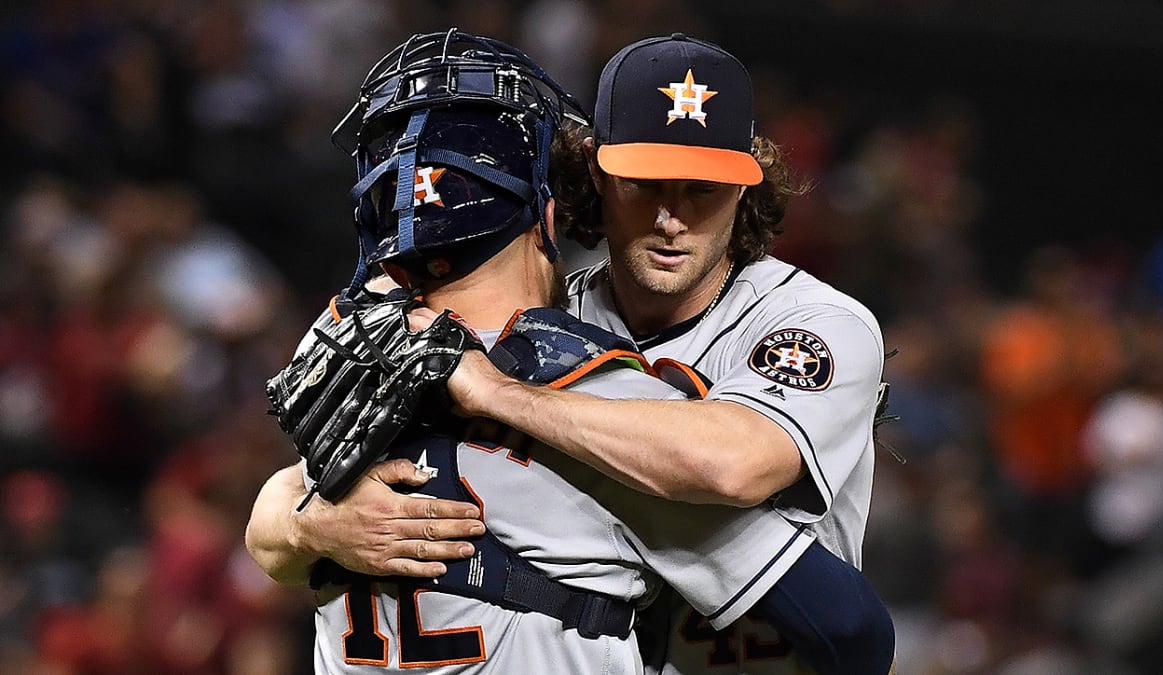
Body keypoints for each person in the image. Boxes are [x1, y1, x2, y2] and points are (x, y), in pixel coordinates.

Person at [247, 31, 894, 674]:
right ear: (593, 172)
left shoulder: (812, 321)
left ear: (746, 185)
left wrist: (495, 391)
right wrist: (317, 524)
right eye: (645, 182)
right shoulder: (545, 326)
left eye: (701, 188)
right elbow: (279, 504)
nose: (671, 216)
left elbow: (735, 465)